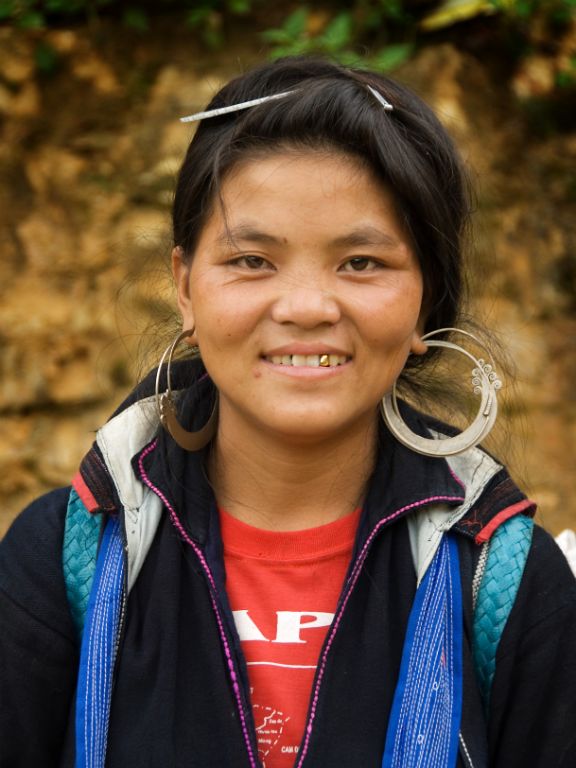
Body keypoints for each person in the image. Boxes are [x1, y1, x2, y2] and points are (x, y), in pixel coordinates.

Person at [1, 55, 575, 768]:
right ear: (184, 287)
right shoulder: (62, 558)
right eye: (251, 260)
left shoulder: (508, 582)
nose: (306, 307)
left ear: (427, 300)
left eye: (361, 262)